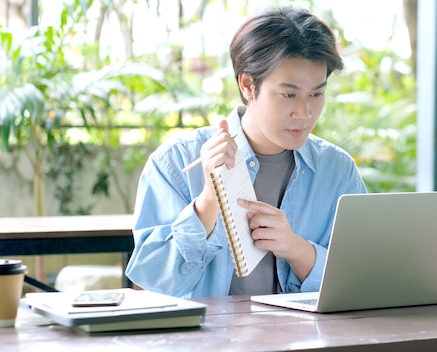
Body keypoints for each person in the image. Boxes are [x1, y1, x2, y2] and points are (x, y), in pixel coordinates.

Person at [125, 5, 367, 298]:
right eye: (289, 94)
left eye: (316, 93)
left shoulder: (338, 170)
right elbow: (152, 283)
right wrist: (208, 203)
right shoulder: (176, 163)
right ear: (248, 85)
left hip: (309, 342)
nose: (305, 112)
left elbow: (362, 281)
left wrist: (296, 249)